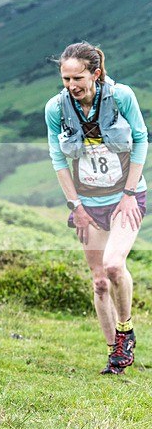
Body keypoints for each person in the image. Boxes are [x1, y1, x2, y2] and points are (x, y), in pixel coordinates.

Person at [45, 41, 148, 375]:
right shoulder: (56, 109)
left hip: (125, 199)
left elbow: (141, 140)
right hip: (87, 204)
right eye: (66, 79)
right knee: (99, 281)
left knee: (115, 266)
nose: (72, 85)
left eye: (78, 78)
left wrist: (130, 193)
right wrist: (75, 206)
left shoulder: (121, 98)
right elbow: (58, 158)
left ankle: (125, 330)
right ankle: (114, 356)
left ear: (96, 74)